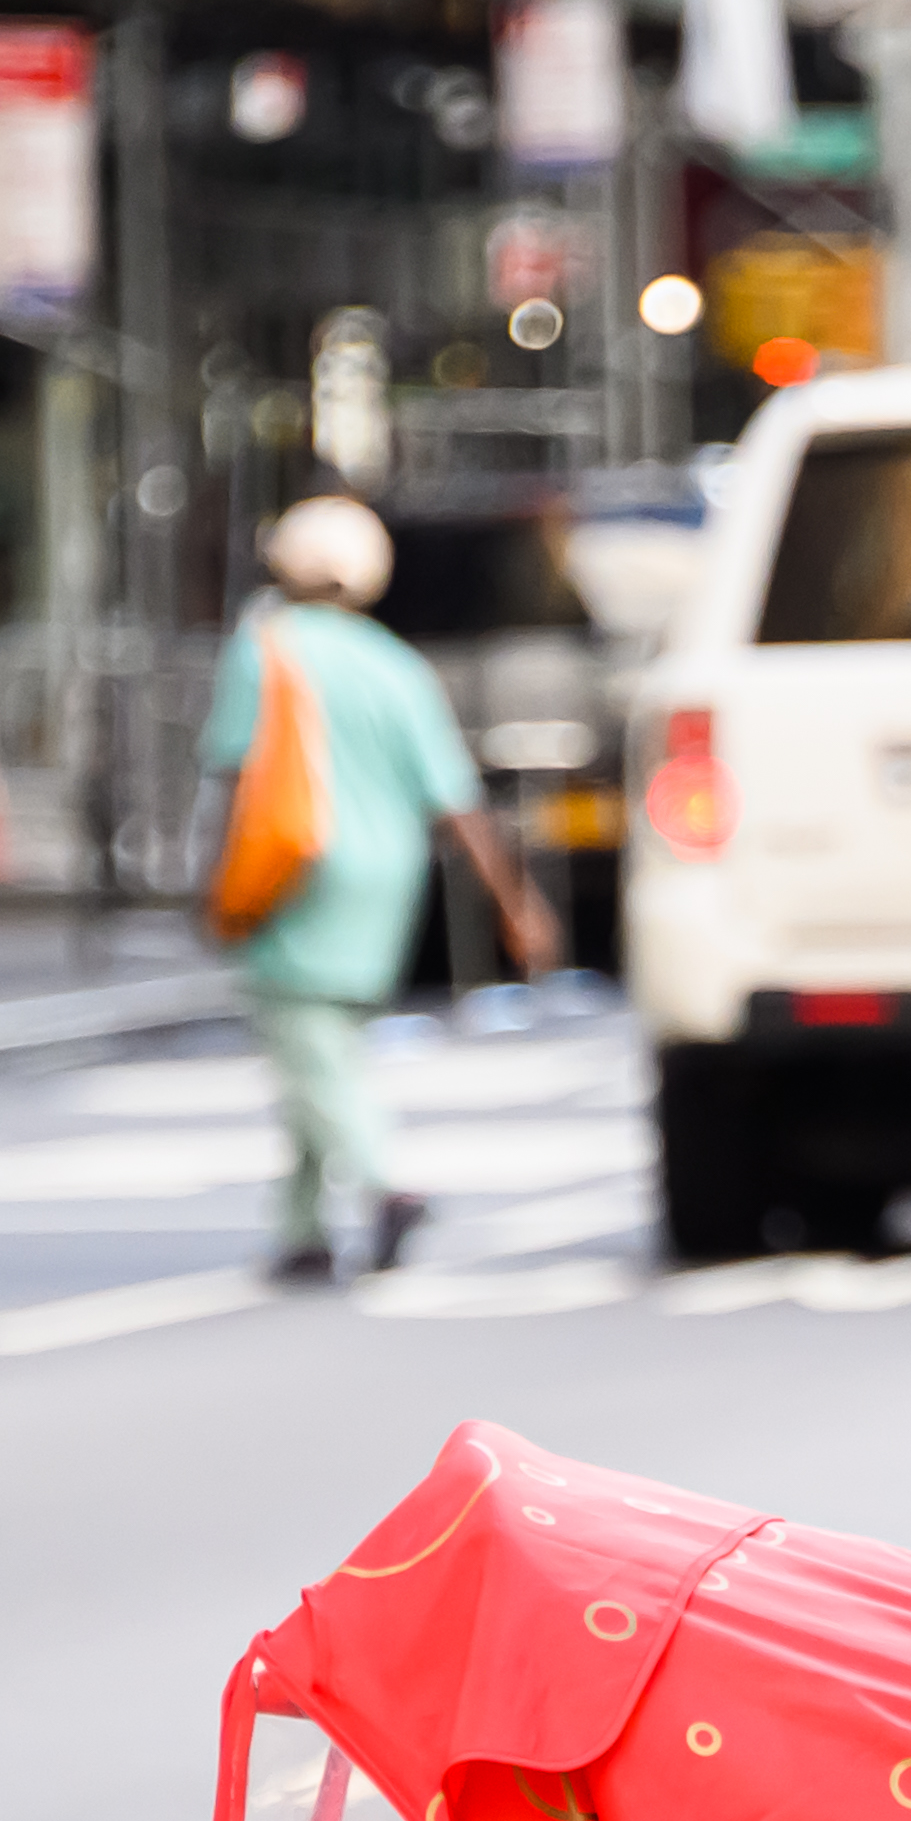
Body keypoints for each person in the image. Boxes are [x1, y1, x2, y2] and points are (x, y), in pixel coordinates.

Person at [203, 495, 559, 1282]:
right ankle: (301, 1232)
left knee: (307, 1043)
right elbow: (458, 801)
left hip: (294, 870)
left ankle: (387, 1184)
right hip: (385, 879)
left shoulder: (264, 650)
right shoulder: (396, 664)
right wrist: (517, 902)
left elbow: (234, 774)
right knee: (322, 1050)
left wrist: (212, 883)